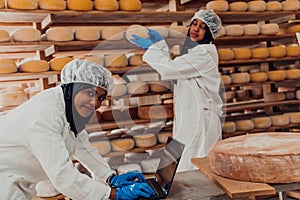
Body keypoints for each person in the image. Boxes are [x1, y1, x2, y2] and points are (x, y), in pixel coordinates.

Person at [0, 59, 155, 199]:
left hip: (18, 183)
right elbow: (62, 175)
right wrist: (113, 194)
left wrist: (110, 177)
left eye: (101, 97)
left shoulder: (68, 110)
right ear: (73, 88)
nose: (95, 102)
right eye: (89, 93)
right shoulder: (44, 115)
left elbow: (83, 148)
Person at [131, 9, 224, 172]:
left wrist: (156, 47)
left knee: (198, 166)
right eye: (194, 23)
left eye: (202, 27)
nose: (196, 29)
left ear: (209, 33)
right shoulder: (194, 52)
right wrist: (159, 47)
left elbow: (169, 69)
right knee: (188, 164)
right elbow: (176, 68)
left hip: (201, 119)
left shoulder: (203, 53)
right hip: (192, 116)